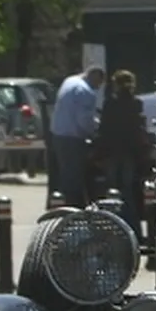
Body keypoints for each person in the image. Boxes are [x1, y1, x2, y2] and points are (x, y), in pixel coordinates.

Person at [97, 69, 151, 241]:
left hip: (112, 151)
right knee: (128, 190)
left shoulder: (110, 104)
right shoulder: (136, 103)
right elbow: (138, 129)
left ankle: (112, 229)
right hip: (129, 152)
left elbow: (104, 129)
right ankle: (133, 229)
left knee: (112, 190)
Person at [50, 65, 105, 206]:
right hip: (72, 139)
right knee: (74, 176)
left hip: (58, 134)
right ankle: (74, 207)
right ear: (94, 77)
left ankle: (62, 204)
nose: (97, 88)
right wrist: (96, 132)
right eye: (98, 83)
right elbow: (84, 121)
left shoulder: (70, 81)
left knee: (65, 174)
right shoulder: (86, 92)